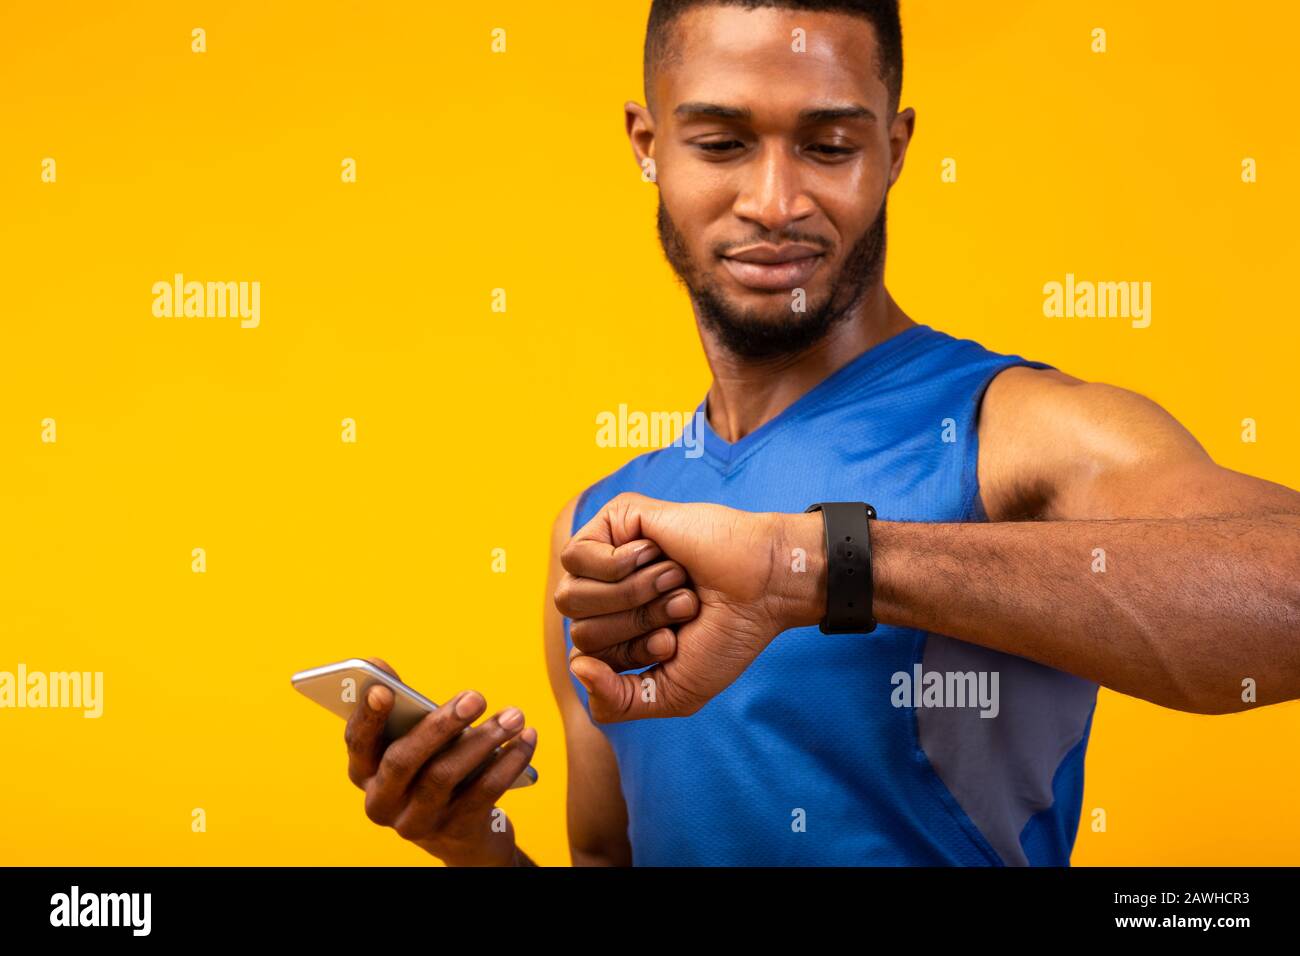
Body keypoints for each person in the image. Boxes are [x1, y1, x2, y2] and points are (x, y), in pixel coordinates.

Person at [345, 0, 1300, 866]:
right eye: (720, 143)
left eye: (829, 146)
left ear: (895, 147)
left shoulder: (1020, 429)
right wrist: (474, 840)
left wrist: (805, 566)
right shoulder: (596, 528)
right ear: (647, 143)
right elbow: (609, 858)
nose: (774, 203)